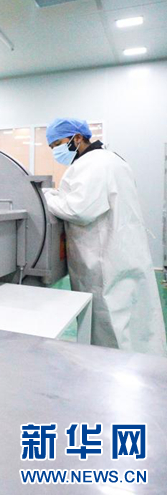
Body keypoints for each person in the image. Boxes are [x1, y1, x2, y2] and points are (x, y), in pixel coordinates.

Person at [43, 118, 166, 356]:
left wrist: (44, 197)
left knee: (110, 322)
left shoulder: (91, 164)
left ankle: (116, 372)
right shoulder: (112, 160)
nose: (55, 151)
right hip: (124, 252)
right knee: (135, 320)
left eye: (57, 144)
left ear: (77, 138)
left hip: (104, 260)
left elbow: (79, 210)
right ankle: (146, 367)